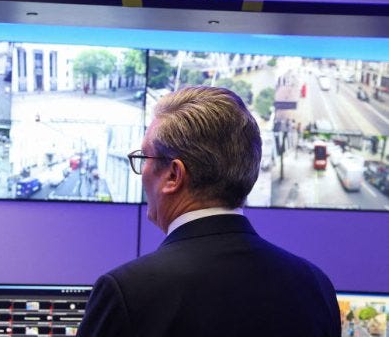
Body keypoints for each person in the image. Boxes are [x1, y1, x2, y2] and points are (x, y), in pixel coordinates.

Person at [78, 86, 340, 337]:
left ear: (173, 175)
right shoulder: (315, 286)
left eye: (144, 158)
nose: (142, 172)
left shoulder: (126, 292)